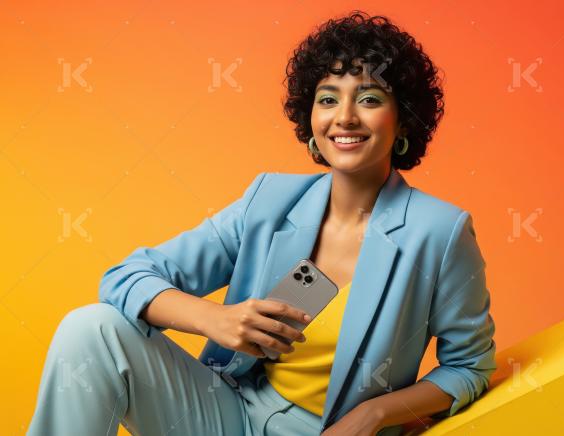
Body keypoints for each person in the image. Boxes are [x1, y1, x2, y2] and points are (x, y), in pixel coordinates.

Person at [27, 10, 496, 436]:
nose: (345, 117)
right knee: (92, 329)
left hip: (324, 431)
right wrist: (216, 320)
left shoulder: (439, 232)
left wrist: (373, 415)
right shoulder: (270, 201)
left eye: (369, 98)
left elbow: (469, 367)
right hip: (227, 413)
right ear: (311, 117)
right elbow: (124, 279)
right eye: (328, 99)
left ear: (404, 122)